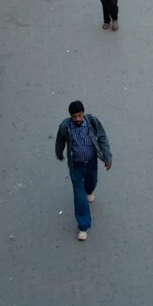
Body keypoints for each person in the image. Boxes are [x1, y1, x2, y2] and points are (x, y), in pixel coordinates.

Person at [55, 100, 112, 242]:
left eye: (79, 116)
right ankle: (83, 226)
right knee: (79, 196)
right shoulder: (65, 126)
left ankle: (90, 190)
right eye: (74, 117)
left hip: (91, 161)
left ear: (83, 112)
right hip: (75, 166)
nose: (77, 119)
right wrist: (59, 153)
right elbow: (60, 140)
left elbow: (103, 138)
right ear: (70, 116)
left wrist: (107, 158)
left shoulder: (92, 122)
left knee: (91, 182)